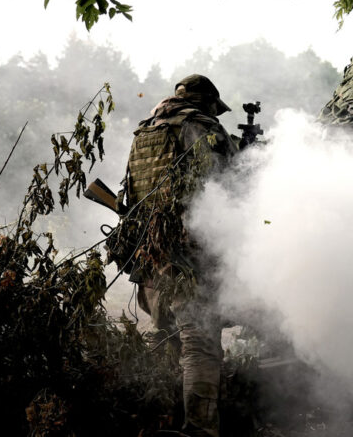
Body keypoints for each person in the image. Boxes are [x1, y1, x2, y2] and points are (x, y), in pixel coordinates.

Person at [120, 74, 238, 437]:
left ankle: (158, 419)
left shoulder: (145, 134)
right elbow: (230, 192)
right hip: (188, 262)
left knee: (168, 339)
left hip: (150, 258)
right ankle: (200, 429)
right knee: (200, 347)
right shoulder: (202, 129)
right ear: (206, 103)